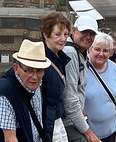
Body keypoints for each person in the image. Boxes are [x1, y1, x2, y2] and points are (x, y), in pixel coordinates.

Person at [0, 39, 51, 142]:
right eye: (29, 70)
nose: (35, 77)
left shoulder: (37, 84)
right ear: (16, 68)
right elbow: (10, 139)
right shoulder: (6, 91)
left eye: (39, 70)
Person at [63, 15, 101, 142]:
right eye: (84, 32)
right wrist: (88, 133)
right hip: (67, 121)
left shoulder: (80, 52)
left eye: (92, 34)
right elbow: (70, 98)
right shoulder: (70, 52)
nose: (88, 37)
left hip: (74, 118)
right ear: (73, 30)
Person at [84, 32, 116, 142]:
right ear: (90, 49)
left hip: (111, 132)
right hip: (87, 134)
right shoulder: (82, 68)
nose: (101, 53)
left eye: (105, 50)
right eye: (97, 49)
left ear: (111, 53)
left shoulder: (114, 68)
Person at [40, 11, 72, 142]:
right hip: (47, 122)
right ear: (46, 35)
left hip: (57, 119)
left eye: (65, 34)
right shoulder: (41, 62)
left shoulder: (60, 58)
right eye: (57, 34)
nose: (63, 39)